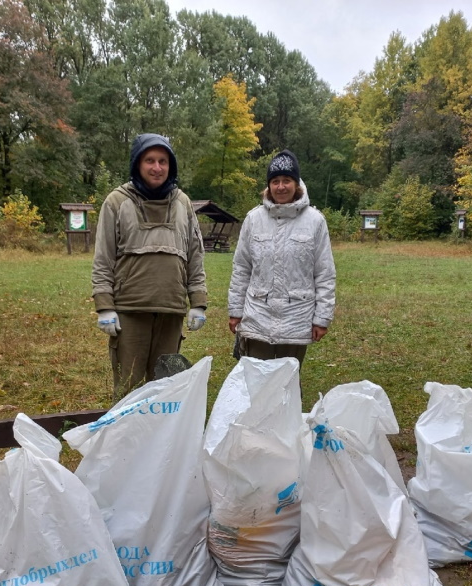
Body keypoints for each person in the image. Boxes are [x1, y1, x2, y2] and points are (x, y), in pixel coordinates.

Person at [91, 133, 208, 398]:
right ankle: (125, 437)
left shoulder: (183, 203)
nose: (157, 167)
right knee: (129, 387)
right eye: (150, 160)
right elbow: (103, 258)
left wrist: (198, 301)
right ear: (138, 164)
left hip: (171, 308)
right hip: (130, 310)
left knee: (165, 385)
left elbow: (195, 255)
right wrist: (104, 306)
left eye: (163, 161)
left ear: (171, 166)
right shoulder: (116, 202)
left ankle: (161, 438)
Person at [227, 150, 336, 366]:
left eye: (287, 180)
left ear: (297, 184)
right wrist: (235, 311)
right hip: (257, 317)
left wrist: (322, 318)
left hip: (297, 318)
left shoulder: (315, 221)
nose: (281, 186)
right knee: (256, 381)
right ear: (268, 186)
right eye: (275, 181)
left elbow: (324, 273)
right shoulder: (253, 219)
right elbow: (241, 269)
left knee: (288, 383)